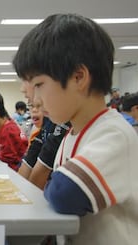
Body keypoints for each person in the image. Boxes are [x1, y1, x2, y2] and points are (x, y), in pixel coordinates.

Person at [13, 13, 138, 245]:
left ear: (78, 77)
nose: (36, 99)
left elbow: (64, 193)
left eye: (39, 85)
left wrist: (53, 183)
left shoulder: (113, 133)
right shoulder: (71, 134)